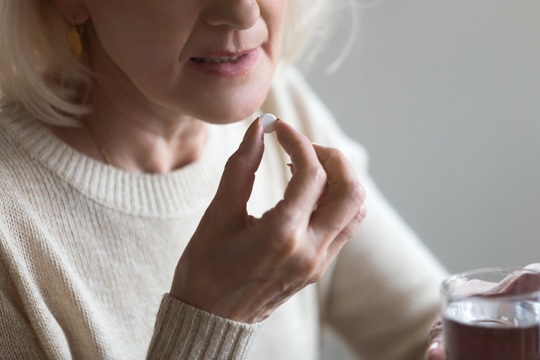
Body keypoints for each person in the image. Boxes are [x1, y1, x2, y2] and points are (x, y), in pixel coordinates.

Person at [0, 0, 447, 359]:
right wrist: (212, 317)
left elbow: (425, 329)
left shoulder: (279, 108)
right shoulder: (11, 222)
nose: (243, 12)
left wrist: (498, 317)